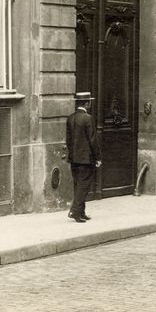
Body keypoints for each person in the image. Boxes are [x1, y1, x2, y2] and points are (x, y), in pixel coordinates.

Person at [65, 93, 100, 222]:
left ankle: (81, 212)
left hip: (74, 158)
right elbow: (93, 140)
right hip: (86, 159)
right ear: (87, 104)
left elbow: (68, 140)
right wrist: (98, 157)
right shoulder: (88, 118)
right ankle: (75, 211)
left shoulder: (70, 118)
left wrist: (72, 154)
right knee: (83, 186)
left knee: (78, 185)